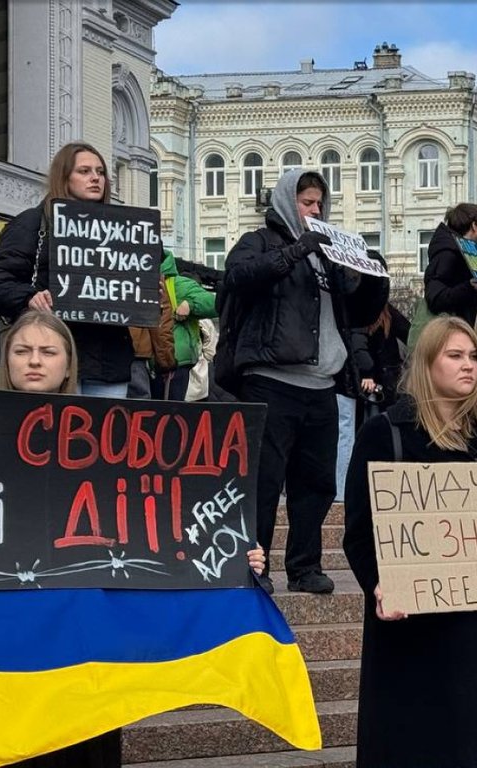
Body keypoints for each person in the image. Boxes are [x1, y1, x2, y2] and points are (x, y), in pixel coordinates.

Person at [0, 310, 265, 768]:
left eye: (47, 351)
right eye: (22, 351)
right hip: (6, 634)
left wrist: (237, 555)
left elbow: (163, 523)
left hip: (88, 638)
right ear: (6, 360)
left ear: (68, 363)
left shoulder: (111, 438)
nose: (34, 361)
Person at [342, 317, 477, 768]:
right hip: (417, 633)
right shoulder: (387, 433)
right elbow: (358, 531)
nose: (469, 365)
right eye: (455, 355)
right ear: (427, 363)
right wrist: (379, 584)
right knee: (420, 749)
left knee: (471, 749)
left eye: (473, 356)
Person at [223, 168, 388, 595]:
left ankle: (305, 566)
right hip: (270, 379)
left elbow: (358, 313)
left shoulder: (328, 254)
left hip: (321, 385)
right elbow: (237, 277)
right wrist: (296, 251)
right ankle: (254, 564)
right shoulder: (259, 241)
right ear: (286, 202)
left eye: (319, 204)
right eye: (306, 202)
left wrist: (372, 276)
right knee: (263, 481)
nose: (314, 210)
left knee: (315, 483)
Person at [0, 142, 135, 396]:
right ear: (64, 177)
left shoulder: (121, 231)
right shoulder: (32, 223)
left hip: (108, 361)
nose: (95, 178)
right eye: (84, 171)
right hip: (50, 354)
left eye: (100, 172)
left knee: (104, 423)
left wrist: (145, 294)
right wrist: (29, 297)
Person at [152, 249, 218, 401]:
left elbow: (214, 304)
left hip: (174, 361)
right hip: (148, 361)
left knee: (169, 411)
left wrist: (190, 304)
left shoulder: (178, 284)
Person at [423, 203, 477, 326]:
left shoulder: (467, 251)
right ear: (474, 225)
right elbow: (435, 298)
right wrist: (470, 287)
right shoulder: (447, 253)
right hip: (452, 328)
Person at [349, 302, 410, 424]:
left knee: (369, 419)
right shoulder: (387, 312)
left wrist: (367, 373)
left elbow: (358, 345)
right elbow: (408, 333)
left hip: (374, 376)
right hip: (388, 376)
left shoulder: (361, 312)